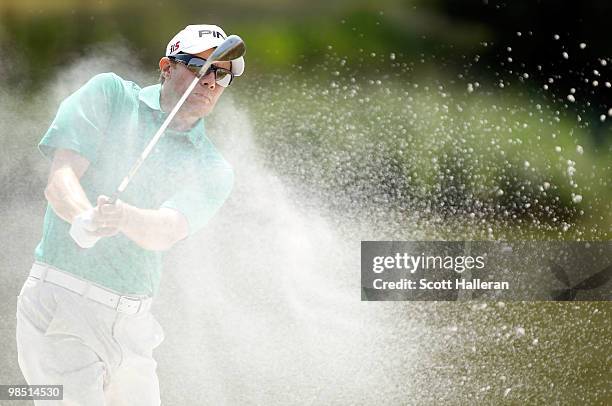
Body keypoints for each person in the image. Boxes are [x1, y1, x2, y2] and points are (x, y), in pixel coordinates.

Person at [15, 24, 244, 405]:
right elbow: (61, 180)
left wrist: (122, 218)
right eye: (199, 67)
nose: (210, 81)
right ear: (167, 67)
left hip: (135, 327)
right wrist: (83, 217)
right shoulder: (109, 94)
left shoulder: (213, 167)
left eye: (222, 74)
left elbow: (168, 229)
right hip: (62, 306)